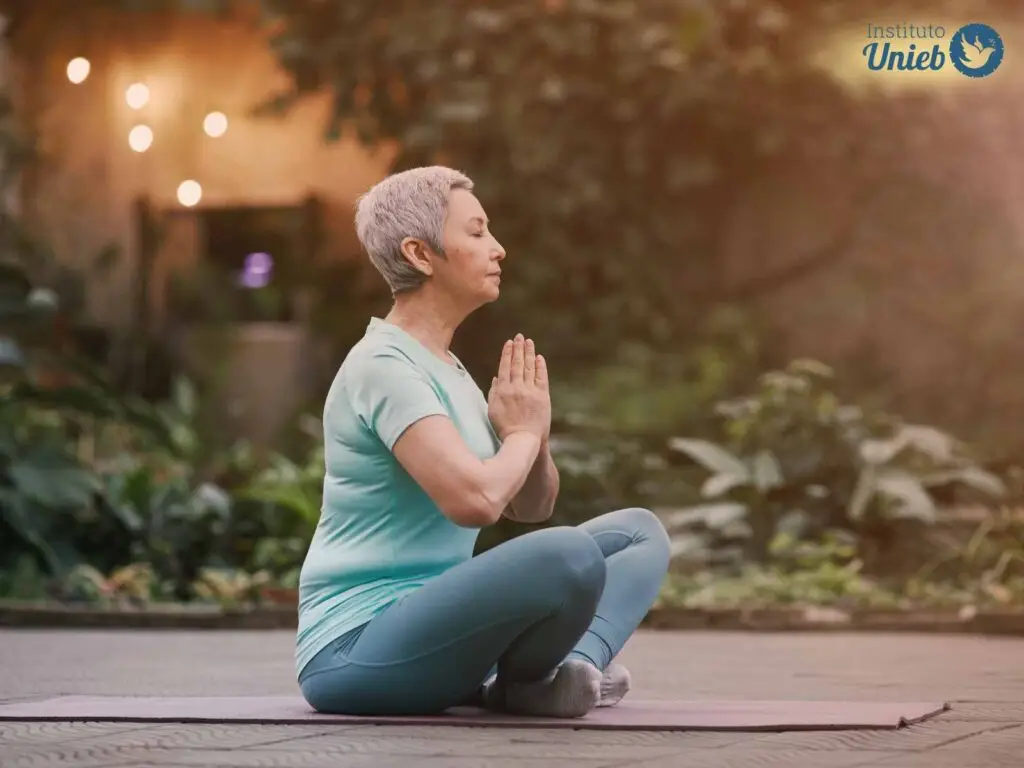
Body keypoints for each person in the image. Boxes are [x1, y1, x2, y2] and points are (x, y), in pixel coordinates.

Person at [295, 166, 672, 719]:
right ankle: (523, 683)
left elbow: (530, 506)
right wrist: (519, 434)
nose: (498, 249)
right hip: (355, 648)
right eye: (476, 232)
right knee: (568, 554)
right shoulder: (383, 366)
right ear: (421, 254)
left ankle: (566, 673)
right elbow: (475, 503)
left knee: (638, 533)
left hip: (435, 631)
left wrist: (534, 434)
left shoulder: (447, 367)